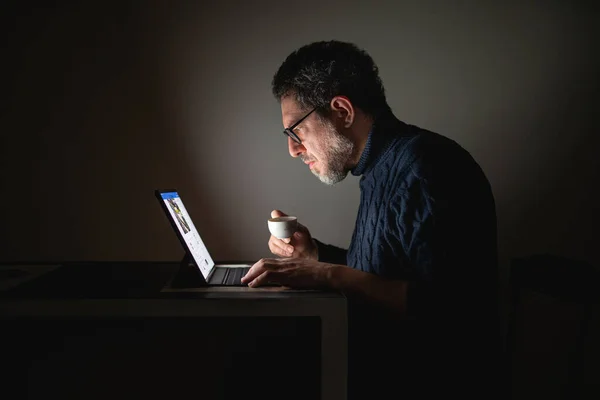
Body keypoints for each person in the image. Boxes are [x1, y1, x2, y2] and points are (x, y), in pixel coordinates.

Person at [241, 40, 501, 399]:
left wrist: (329, 276)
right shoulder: (380, 169)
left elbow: (449, 310)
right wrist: (313, 257)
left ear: (342, 112)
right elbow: (384, 274)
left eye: (296, 130)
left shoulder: (425, 168)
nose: (293, 149)